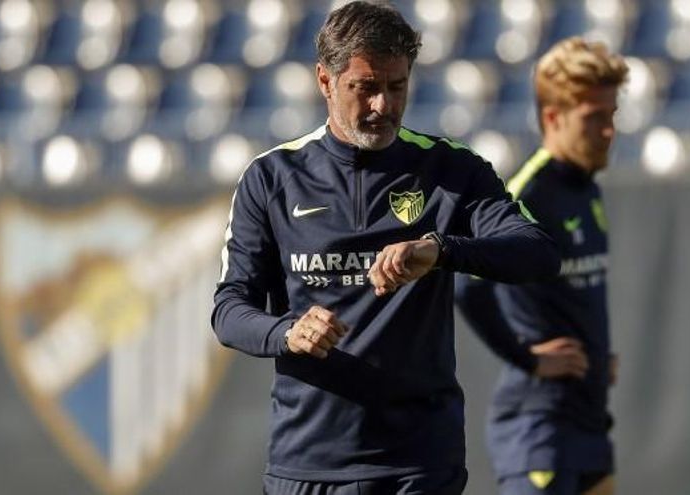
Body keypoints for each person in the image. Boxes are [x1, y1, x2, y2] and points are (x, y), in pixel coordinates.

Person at [212, 2, 560, 493]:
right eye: (366, 87)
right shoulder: (271, 178)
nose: (383, 105)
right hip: (308, 464)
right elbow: (229, 311)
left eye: (397, 87)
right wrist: (287, 332)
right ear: (325, 82)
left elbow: (539, 253)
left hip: (417, 465)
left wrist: (442, 250)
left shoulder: (452, 171)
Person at [455, 37, 629, 495]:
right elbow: (467, 287)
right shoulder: (526, 195)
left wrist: (597, 351)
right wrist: (529, 358)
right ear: (553, 117)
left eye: (612, 116)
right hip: (539, 428)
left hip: (589, 424)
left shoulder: (587, 188)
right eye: (595, 118)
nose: (609, 131)